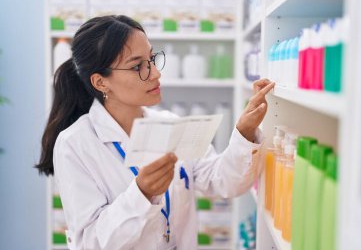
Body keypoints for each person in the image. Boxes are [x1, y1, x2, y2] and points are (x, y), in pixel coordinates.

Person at [36, 15, 275, 250]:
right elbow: (91, 243)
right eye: (137, 66)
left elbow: (224, 182)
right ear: (101, 82)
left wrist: (245, 131)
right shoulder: (74, 144)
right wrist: (141, 195)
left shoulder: (170, 124)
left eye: (151, 59)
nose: (155, 74)